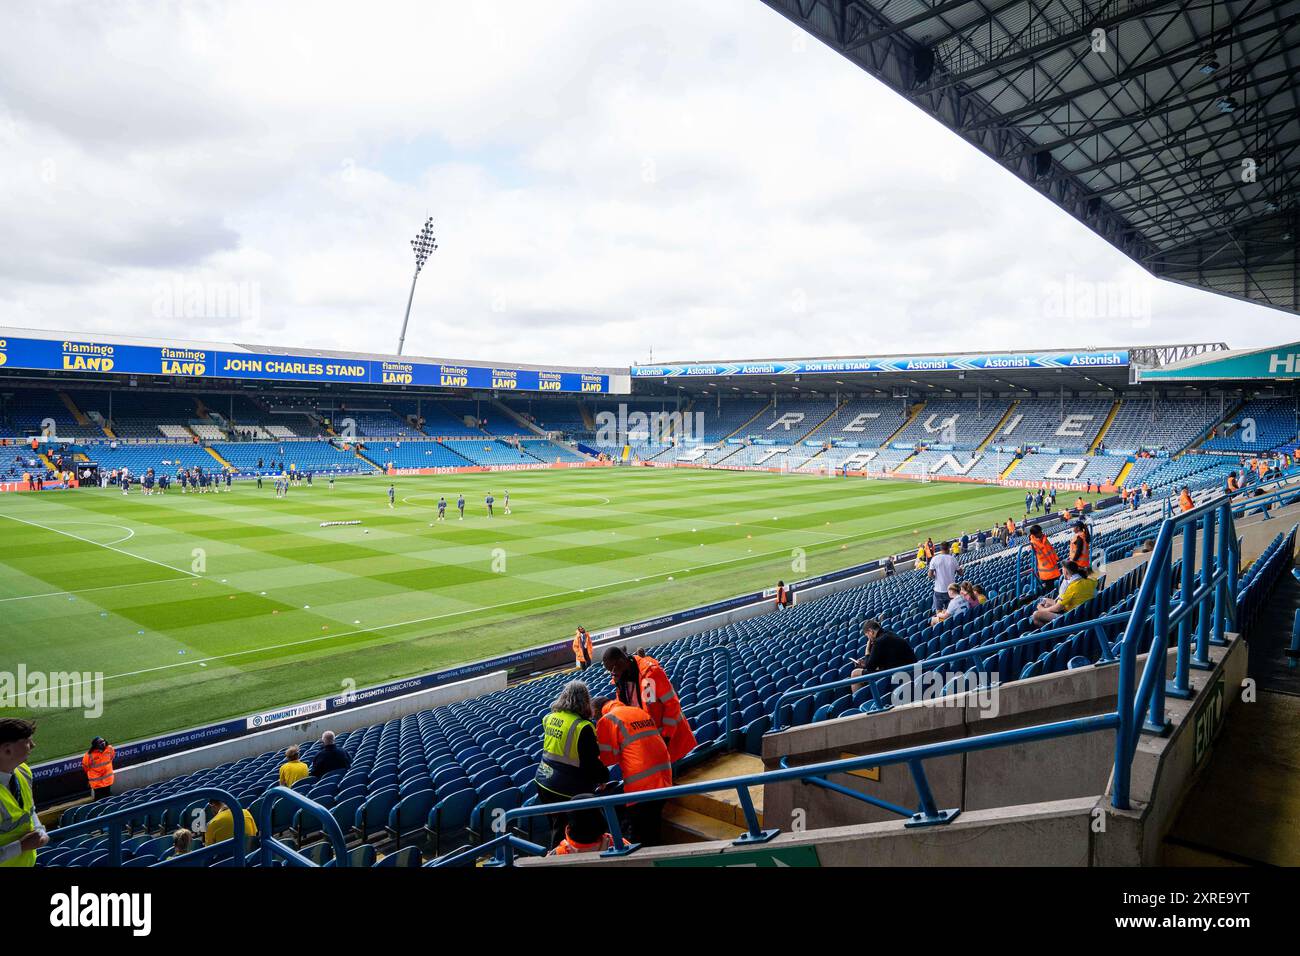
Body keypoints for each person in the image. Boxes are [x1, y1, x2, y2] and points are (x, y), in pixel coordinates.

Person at [535, 681, 608, 849]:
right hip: (566, 788)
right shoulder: (583, 727)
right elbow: (591, 763)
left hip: (543, 782)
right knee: (565, 833)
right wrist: (603, 776)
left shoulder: (549, 718)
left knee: (556, 827)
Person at [592, 696, 673, 847]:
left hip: (641, 786)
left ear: (596, 711)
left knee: (640, 839)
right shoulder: (638, 711)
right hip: (664, 777)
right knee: (653, 829)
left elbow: (608, 759)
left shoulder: (607, 720)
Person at [602, 646, 697, 761]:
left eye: (612, 669)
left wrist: (666, 737)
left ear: (621, 662)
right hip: (649, 740)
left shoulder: (650, 673)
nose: (611, 674)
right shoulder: (620, 679)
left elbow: (672, 704)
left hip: (667, 738)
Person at [0, 718, 47, 867]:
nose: (33, 745)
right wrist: (20, 847)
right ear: (7, 750)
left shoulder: (23, 771)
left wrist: (40, 831)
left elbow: (30, 810)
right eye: (27, 741)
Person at [849, 620, 918, 694]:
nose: (868, 638)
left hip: (895, 675)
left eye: (867, 635)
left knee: (855, 673)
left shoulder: (879, 641)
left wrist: (867, 650)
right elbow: (883, 660)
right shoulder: (890, 634)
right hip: (909, 671)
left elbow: (870, 668)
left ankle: (859, 703)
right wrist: (865, 663)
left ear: (870, 631)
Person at [1032, 561, 1098, 625]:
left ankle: (1054, 634)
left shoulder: (1071, 587)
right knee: (1047, 604)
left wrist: (1042, 609)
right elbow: (1060, 602)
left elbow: (1058, 608)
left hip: (1071, 618)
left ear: (1065, 572)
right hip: (1085, 612)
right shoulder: (1090, 581)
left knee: (1036, 615)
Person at [1028, 524, 1062, 593]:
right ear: (1035, 534)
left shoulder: (1044, 538)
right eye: (1039, 532)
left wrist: (1056, 559)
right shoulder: (1033, 544)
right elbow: (1032, 551)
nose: (1041, 533)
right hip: (1046, 571)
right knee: (1050, 589)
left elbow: (1051, 549)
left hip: (1052, 566)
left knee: (1054, 586)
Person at [927, 540, 958, 612]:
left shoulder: (934, 559)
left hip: (939, 590)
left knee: (939, 612)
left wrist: (935, 577)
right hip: (951, 590)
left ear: (941, 549)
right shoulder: (953, 559)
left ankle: (939, 622)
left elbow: (930, 575)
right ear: (948, 548)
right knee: (950, 611)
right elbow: (961, 573)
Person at [82, 736, 115, 800]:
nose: (103, 743)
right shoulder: (89, 755)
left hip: (107, 780)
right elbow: (85, 767)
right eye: (100, 742)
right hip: (96, 782)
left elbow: (112, 757)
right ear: (95, 745)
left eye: (103, 741)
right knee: (98, 798)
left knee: (108, 796)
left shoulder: (109, 748)